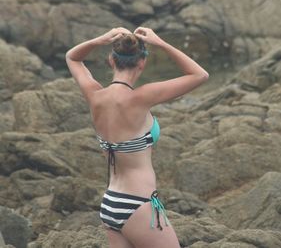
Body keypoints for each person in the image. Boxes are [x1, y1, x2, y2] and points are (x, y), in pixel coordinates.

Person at [65, 26, 209, 248]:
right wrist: (160, 43)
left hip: (111, 203)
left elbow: (72, 58)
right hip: (138, 205)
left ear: (111, 60)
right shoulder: (142, 97)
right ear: (142, 63)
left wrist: (101, 39)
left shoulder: (95, 95)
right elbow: (200, 75)